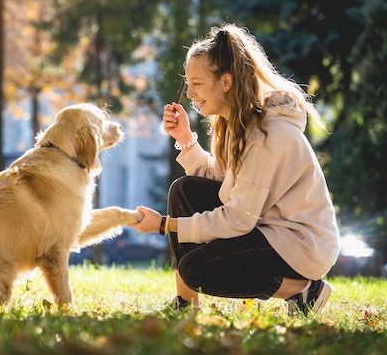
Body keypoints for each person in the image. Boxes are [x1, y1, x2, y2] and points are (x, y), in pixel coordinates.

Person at [131, 23, 340, 316]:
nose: (190, 93)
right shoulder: (237, 125)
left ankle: (304, 290)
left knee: (197, 270)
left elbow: (238, 218)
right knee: (184, 189)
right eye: (187, 83)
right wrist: (185, 139)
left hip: (300, 245)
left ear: (226, 82)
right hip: (266, 227)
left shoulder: (266, 135)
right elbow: (222, 181)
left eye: (198, 83)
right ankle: (185, 304)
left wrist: (166, 224)